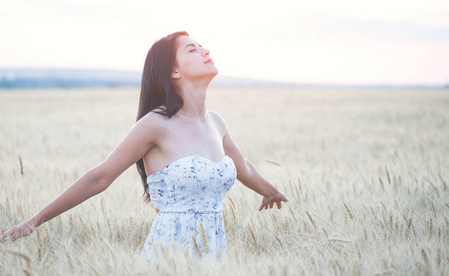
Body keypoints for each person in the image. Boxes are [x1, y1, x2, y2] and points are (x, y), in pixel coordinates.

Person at [0, 31, 288, 258]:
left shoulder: (217, 123)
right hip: (170, 256)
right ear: (174, 71)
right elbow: (100, 178)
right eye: (192, 49)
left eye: (202, 46)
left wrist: (271, 191)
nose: (206, 51)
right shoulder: (156, 124)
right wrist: (34, 222)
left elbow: (243, 168)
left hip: (214, 252)